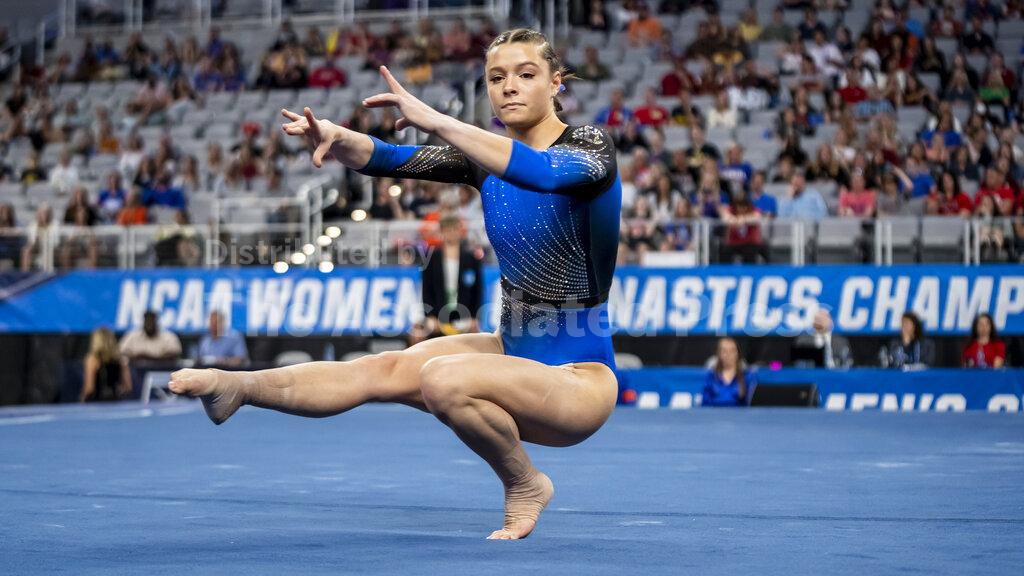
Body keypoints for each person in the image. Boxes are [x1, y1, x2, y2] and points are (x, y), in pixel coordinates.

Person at [170, 28, 621, 541]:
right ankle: (240, 388)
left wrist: (438, 120)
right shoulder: (484, 160)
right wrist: (342, 141)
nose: (509, 87)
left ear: (556, 83)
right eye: (497, 77)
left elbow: (543, 174)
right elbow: (391, 158)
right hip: (511, 353)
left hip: (578, 379)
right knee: (381, 369)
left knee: (442, 377)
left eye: (526, 74)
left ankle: (524, 484)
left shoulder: (590, 146)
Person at [409, 215, 485, 345]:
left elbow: (478, 289)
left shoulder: (470, 258)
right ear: (442, 232)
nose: (451, 233)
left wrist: (475, 317)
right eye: (448, 230)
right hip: (438, 313)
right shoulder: (432, 257)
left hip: (464, 314)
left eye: (454, 229)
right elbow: (426, 288)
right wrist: (430, 316)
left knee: (477, 339)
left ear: (459, 231)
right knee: (416, 334)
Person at [80, 327, 132, 402]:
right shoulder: (120, 359)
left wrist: (82, 398)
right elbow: (128, 387)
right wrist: (116, 392)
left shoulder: (92, 360)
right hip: (115, 401)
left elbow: (89, 388)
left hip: (95, 402)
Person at [702, 337, 756, 407]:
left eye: (732, 350)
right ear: (719, 354)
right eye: (724, 351)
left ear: (737, 353)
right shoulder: (711, 376)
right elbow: (705, 404)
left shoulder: (747, 376)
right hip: (715, 416)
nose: (728, 355)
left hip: (739, 416)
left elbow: (751, 404)